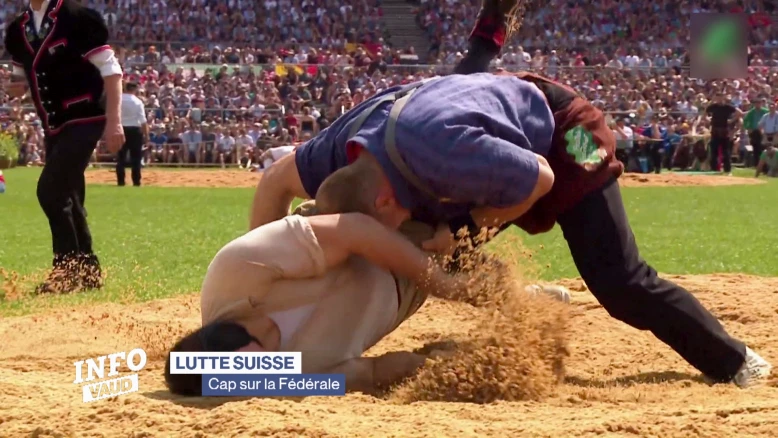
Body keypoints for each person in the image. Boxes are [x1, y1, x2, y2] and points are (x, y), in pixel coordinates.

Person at [249, 2, 772, 388]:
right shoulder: (332, 156)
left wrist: (465, 228)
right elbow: (273, 183)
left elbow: (539, 178)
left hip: (565, 134)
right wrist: (267, 279)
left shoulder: (453, 155)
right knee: (434, 231)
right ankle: (489, 32)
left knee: (619, 279)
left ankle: (732, 358)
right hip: (454, 113)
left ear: (382, 202)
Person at [164, 202, 465, 396]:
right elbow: (374, 374)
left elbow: (356, 230)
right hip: (405, 288)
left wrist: (441, 283)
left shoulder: (234, 275)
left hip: (374, 215)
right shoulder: (286, 384)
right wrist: (451, 371)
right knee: (480, 239)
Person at [4, 0, 125, 293]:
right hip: (54, 124)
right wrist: (15, 88)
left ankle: (66, 270)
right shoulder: (18, 29)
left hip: (86, 117)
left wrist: (115, 121)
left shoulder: (78, 18)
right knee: (69, 196)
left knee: (50, 190)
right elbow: (20, 77)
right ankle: (87, 273)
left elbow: (112, 70)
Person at [117, 82, 147, 186]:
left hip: (121, 129)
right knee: (136, 158)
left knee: (121, 157)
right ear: (134, 89)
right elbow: (143, 120)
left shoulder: (119, 99)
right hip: (135, 130)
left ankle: (120, 181)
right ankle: (136, 181)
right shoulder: (138, 102)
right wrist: (147, 136)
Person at [705, 92, 742, 174]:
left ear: (723, 98)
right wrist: (708, 120)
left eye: (720, 97)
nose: (719, 99)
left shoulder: (727, 107)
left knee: (726, 152)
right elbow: (704, 113)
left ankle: (727, 169)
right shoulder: (713, 107)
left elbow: (739, 113)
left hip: (724, 131)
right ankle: (714, 169)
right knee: (714, 151)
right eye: (717, 97)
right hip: (715, 130)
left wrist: (731, 120)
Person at [743, 99, 767, 167]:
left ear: (761, 104)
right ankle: (756, 164)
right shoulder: (751, 112)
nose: (757, 104)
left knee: (763, 148)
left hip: (763, 132)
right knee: (756, 148)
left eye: (759, 103)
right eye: (756, 103)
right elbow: (745, 122)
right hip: (754, 132)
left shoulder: (765, 111)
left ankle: (764, 165)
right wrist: (748, 128)